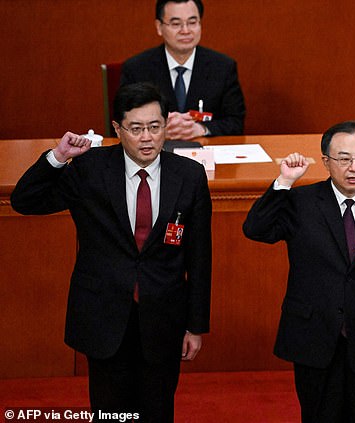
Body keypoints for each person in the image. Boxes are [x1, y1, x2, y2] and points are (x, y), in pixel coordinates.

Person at [11, 82, 212, 422]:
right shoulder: (90, 169)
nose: (147, 137)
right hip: (104, 316)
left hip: (163, 317)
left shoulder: (188, 175)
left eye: (155, 126)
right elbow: (24, 201)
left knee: (158, 410)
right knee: (110, 413)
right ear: (118, 129)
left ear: (166, 125)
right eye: (135, 129)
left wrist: (195, 325)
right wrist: (58, 158)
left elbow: (200, 256)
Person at [243, 121, 355, 422]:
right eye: (344, 159)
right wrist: (284, 182)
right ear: (326, 161)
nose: (354, 167)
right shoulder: (300, 202)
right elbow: (256, 229)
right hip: (315, 340)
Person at [120, 0, 245, 140]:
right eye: (176, 24)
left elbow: (236, 122)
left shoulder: (223, 67)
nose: (185, 31)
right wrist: (158, 130)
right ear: (159, 27)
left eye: (192, 22)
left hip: (206, 153)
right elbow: (123, 123)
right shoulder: (137, 68)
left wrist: (201, 129)